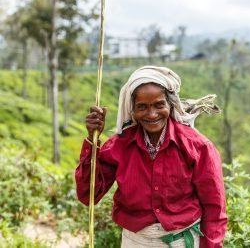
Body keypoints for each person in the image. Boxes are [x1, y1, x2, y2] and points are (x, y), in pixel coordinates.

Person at [75, 66, 228, 248]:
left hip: (181, 241)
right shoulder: (119, 146)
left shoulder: (198, 147)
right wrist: (93, 139)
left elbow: (215, 208)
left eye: (159, 105)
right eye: (142, 107)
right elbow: (88, 195)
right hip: (135, 241)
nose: (152, 114)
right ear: (132, 109)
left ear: (170, 105)